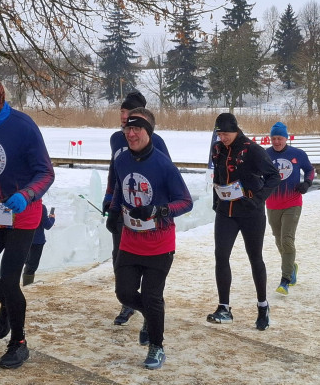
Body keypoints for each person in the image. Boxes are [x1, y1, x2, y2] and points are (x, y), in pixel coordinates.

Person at [0, 72, 54, 369]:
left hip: (21, 216)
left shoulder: (23, 127)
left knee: (9, 280)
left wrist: (26, 195)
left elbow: (46, 173)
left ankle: (18, 342)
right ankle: (6, 303)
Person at [110, 108, 192, 368]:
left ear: (149, 132)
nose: (131, 134)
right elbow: (118, 190)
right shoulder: (121, 160)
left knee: (152, 296)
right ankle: (149, 313)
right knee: (124, 293)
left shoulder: (163, 164)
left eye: (137, 129)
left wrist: (159, 210)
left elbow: (186, 202)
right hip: (130, 241)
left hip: (160, 244)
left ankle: (157, 346)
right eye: (127, 129)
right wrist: (112, 212)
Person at [102, 90, 171, 327]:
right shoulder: (116, 139)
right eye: (122, 112)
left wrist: (160, 209)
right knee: (119, 255)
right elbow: (115, 171)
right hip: (122, 206)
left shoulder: (156, 142)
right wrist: (110, 197)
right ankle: (128, 303)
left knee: (147, 262)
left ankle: (150, 306)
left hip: (148, 211)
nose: (124, 117)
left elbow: (166, 175)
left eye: (129, 112)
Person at [208, 113, 280, 330]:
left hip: (250, 212)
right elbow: (218, 177)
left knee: (255, 258)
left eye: (226, 133)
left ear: (236, 130)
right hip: (226, 212)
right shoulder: (218, 149)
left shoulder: (251, 149)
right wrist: (216, 201)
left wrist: (257, 198)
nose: (223, 137)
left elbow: (274, 176)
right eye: (219, 134)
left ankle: (262, 306)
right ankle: (224, 307)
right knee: (221, 256)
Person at [265, 122, 315, 295]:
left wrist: (307, 183)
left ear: (286, 138)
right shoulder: (265, 154)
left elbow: (310, 170)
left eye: (280, 138)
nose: (277, 141)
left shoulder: (297, 154)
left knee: (287, 239)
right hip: (271, 203)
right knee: (279, 240)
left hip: (292, 202)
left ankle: (285, 279)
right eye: (274, 138)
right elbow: (255, 174)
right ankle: (291, 265)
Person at [22, 204, 55, 286]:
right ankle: (27, 286)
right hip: (37, 240)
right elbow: (47, 225)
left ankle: (26, 285)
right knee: (32, 266)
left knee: (26, 262)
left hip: (22, 238)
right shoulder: (40, 206)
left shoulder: (22, 205)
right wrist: (52, 218)